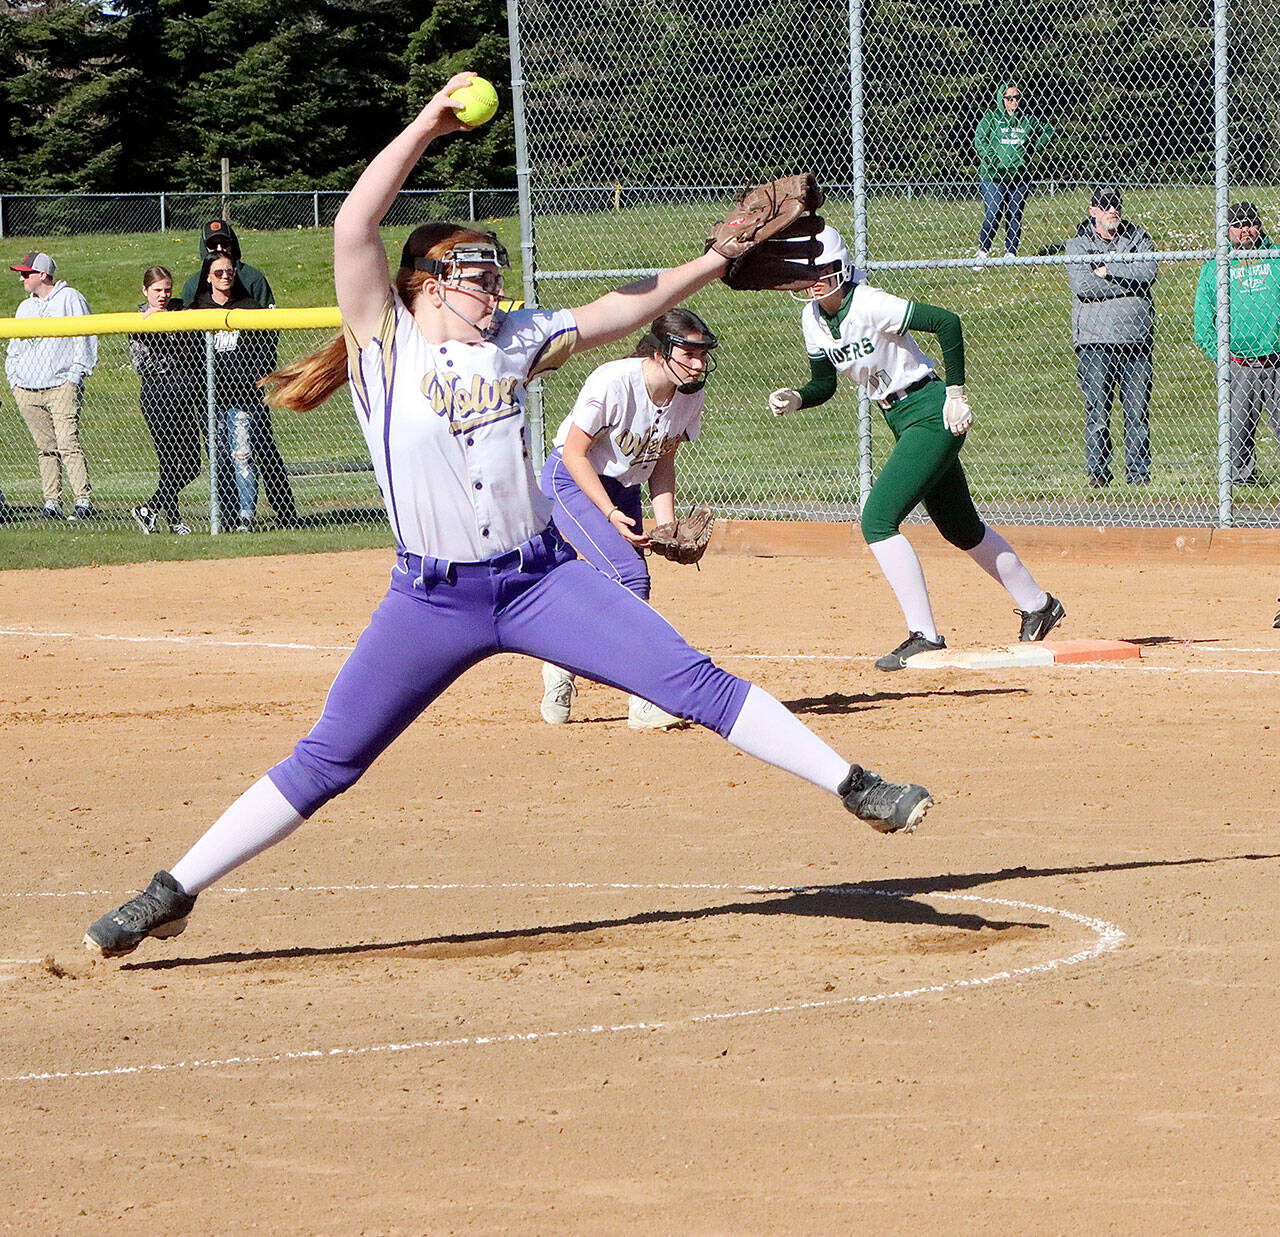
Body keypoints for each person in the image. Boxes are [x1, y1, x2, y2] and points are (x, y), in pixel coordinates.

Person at [83, 74, 933, 960]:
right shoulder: (384, 342)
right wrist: (427, 122)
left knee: (694, 681)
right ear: (425, 287)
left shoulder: (516, 340)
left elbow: (628, 307)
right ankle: (171, 891)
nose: (492, 290)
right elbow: (353, 226)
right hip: (429, 600)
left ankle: (856, 784)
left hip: (539, 578)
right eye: (473, 278)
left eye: (494, 276)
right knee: (328, 759)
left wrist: (716, 260)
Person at [768, 225, 1064, 671]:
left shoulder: (868, 302)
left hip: (930, 410)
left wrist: (956, 392)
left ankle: (924, 634)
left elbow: (947, 321)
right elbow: (825, 382)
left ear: (842, 267)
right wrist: (799, 397)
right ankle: (1039, 605)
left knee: (878, 519)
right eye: (808, 271)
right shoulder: (811, 318)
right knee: (960, 528)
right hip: (900, 418)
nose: (815, 280)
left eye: (825, 269)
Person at [539, 307, 719, 731]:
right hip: (572, 483)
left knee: (614, 586)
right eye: (687, 352)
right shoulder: (613, 380)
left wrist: (667, 524)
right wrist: (610, 512)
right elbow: (573, 453)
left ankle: (560, 659)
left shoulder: (690, 394)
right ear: (658, 352)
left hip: (625, 488)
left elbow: (662, 462)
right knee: (630, 576)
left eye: (702, 353)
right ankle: (643, 698)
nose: (697, 363)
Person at [188, 253, 298, 530]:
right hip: (211, 399)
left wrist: (250, 378)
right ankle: (225, 516)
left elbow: (264, 351)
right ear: (208, 277)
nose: (225, 276)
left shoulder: (249, 308)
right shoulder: (197, 309)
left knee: (244, 455)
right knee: (220, 457)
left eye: (229, 271)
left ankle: (245, 516)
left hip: (243, 398)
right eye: (218, 273)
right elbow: (181, 337)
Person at [1065, 186, 1157, 487]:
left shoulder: (1138, 237)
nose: (1111, 210)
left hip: (1136, 338)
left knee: (1137, 413)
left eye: (1115, 204)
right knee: (1098, 413)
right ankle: (1099, 475)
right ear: (1093, 211)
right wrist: (1128, 280)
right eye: (1104, 206)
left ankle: (1138, 475)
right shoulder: (1078, 245)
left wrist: (1109, 270)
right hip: (1094, 340)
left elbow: (1148, 272)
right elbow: (1084, 287)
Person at [4, 252, 97, 521]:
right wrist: (14, 381)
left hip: (61, 385)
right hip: (27, 388)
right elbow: (15, 348)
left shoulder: (70, 299)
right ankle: (52, 502)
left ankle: (82, 500)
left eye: (26, 273)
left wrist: (75, 377)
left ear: (42, 275)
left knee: (68, 443)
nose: (21, 278)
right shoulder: (25, 308)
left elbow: (86, 337)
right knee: (45, 448)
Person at [1193, 200, 1280, 485]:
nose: (1245, 231)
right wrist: (1221, 356)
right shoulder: (1216, 266)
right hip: (1239, 362)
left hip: (1275, 357)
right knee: (1238, 429)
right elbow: (1204, 321)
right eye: (1238, 225)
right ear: (1228, 230)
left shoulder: (1275, 259)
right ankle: (1242, 482)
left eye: (1250, 224)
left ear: (1259, 226)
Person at [128, 266, 204, 534]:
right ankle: (173, 520)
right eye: (157, 290)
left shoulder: (181, 311)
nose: (163, 295)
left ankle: (150, 508)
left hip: (184, 394)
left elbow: (193, 347)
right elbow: (141, 363)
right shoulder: (139, 318)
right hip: (157, 394)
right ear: (145, 290)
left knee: (192, 463)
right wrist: (156, 325)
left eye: (167, 290)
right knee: (169, 461)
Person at [973, 83, 1053, 265]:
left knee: (1015, 214)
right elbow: (980, 140)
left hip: (1019, 176)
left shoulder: (1027, 120)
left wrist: (1032, 147)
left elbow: (1048, 130)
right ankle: (983, 251)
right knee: (993, 212)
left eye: (1017, 97)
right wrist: (993, 160)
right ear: (1002, 99)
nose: (1014, 101)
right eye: (1010, 98)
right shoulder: (991, 119)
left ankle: (1011, 252)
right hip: (994, 175)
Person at [181, 219, 274, 310]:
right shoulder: (192, 285)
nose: (219, 248)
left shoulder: (253, 279)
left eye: (225, 243)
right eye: (212, 245)